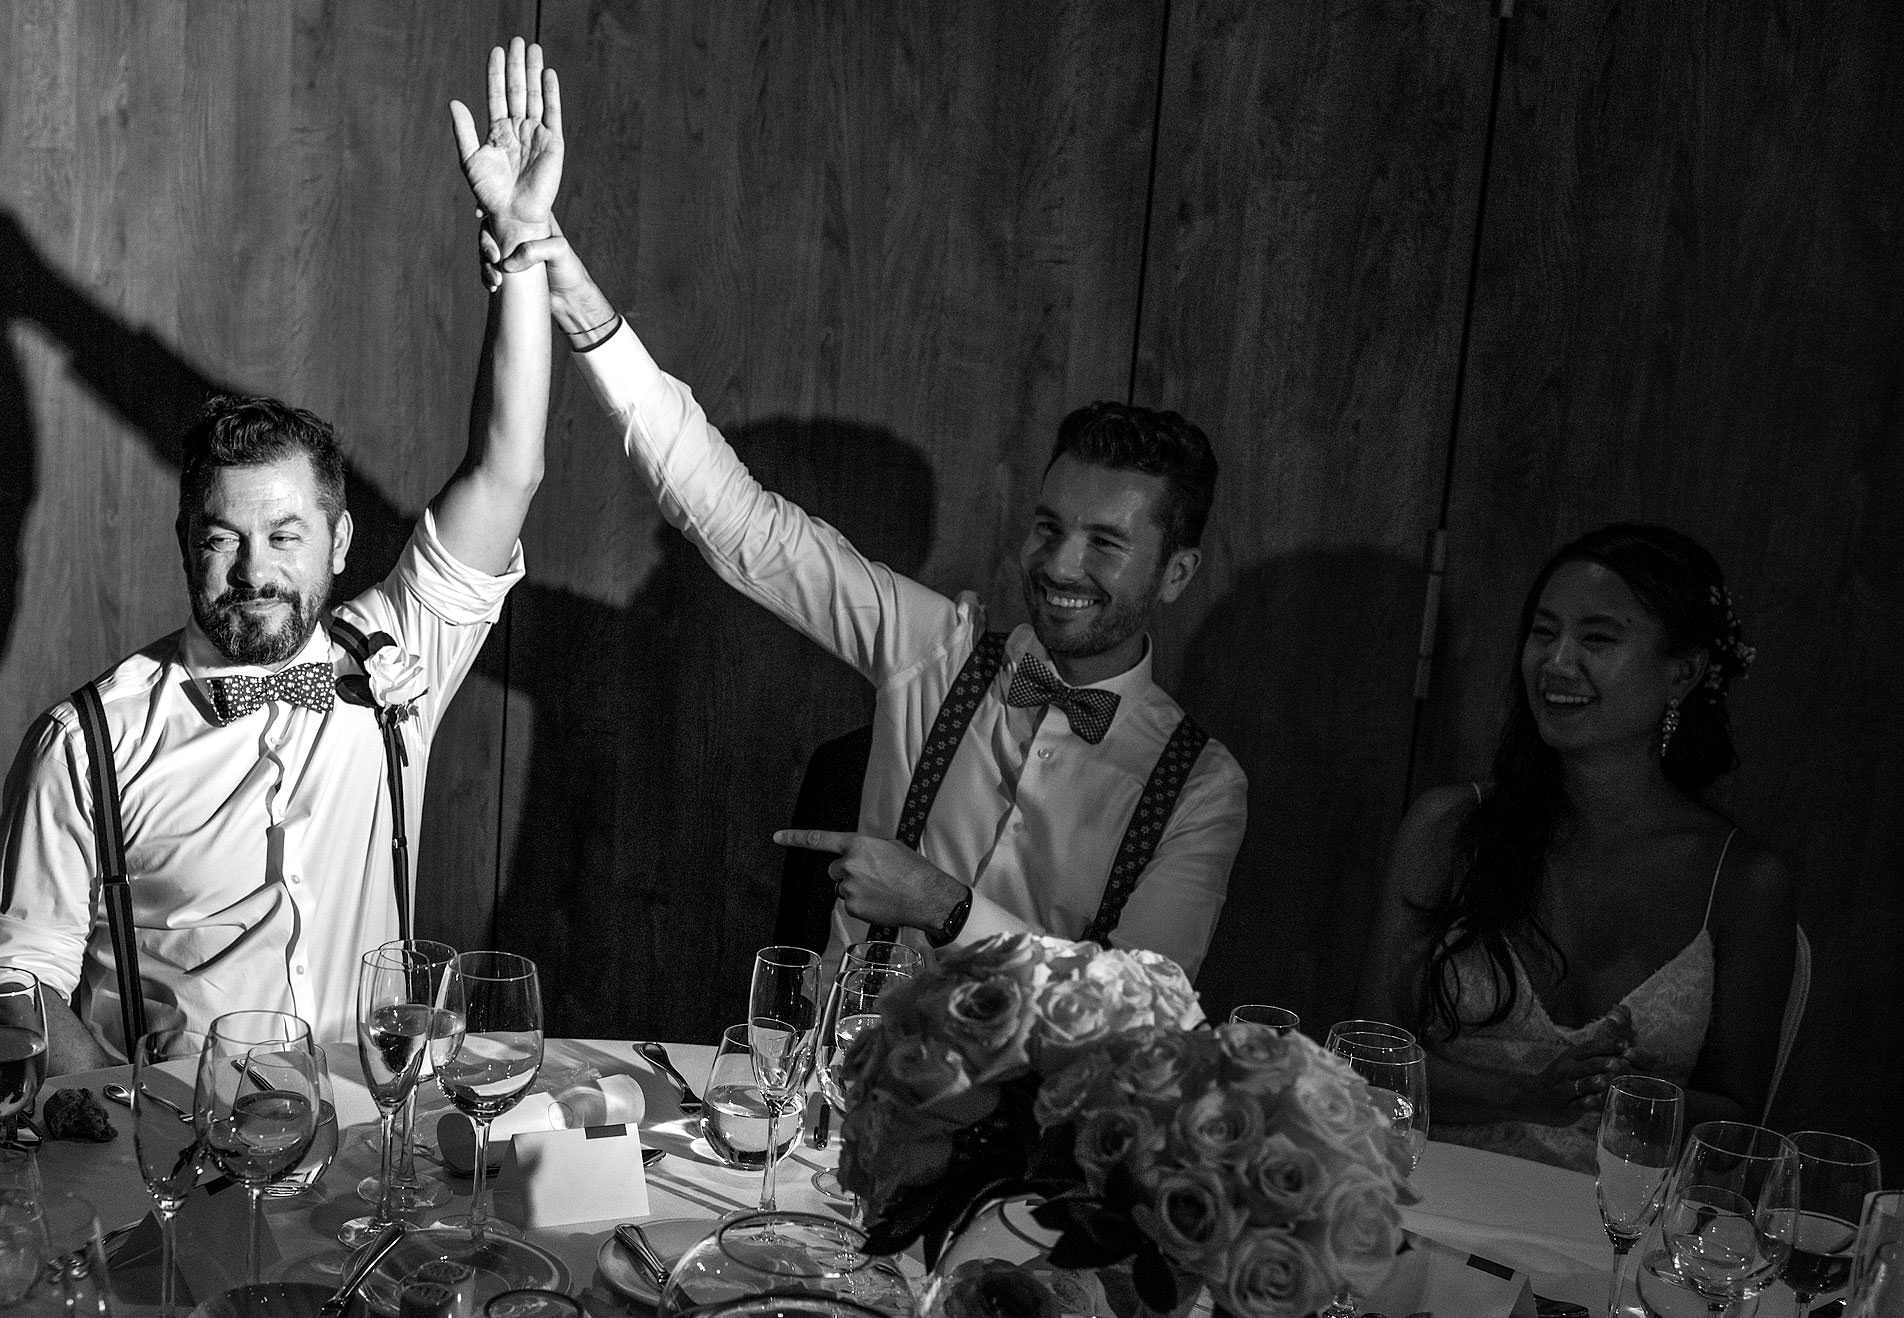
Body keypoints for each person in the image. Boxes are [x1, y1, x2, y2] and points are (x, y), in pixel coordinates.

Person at [0, 40, 558, 1096]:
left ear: (337, 544)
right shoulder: (87, 741)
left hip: (375, 1138)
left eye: (284, 537)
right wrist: (107, 1101)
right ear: (185, 541)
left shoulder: (395, 660)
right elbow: (12, 980)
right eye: (222, 538)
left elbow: (507, 470)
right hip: (179, 1157)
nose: (252, 571)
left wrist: (522, 255)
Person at [481, 227, 1248, 978]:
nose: (1059, 564)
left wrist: (945, 906)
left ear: (1176, 573)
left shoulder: (1200, 784)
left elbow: (1145, 1008)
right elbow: (745, 524)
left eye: (1105, 544)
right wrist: (580, 306)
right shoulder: (939, 650)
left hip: (1045, 1106)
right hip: (844, 1084)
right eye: (1048, 527)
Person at [1356, 523, 1794, 1171]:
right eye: (1543, 631)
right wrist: (1525, 1093)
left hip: (1617, 1230)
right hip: (1429, 1196)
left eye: (1596, 637)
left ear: (1683, 671)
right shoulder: (1448, 828)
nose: (1557, 662)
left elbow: (1737, 1132)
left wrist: (1631, 1096)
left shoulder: (1742, 879)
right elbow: (1363, 1067)